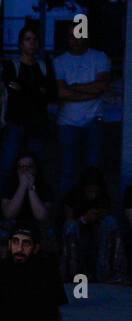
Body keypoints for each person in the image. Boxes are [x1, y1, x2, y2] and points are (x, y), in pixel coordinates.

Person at [52, 21, 111, 196]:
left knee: (92, 171)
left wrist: (75, 86)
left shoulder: (100, 57)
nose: (75, 40)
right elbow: (61, 92)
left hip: (94, 120)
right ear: (67, 38)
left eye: (79, 35)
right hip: (67, 122)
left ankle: (93, 212)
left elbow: (101, 86)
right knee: (67, 171)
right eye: (72, 36)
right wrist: (90, 93)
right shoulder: (59, 61)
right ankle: (65, 213)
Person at [0, 22, 55, 179]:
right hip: (16, 123)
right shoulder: (12, 65)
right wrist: (37, 91)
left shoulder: (43, 66)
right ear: (20, 43)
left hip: (37, 124)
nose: (32, 43)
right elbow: (12, 88)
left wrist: (25, 89)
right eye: (28, 39)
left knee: (36, 167)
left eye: (35, 39)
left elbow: (51, 94)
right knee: (7, 167)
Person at [61, 167, 127, 284]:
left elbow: (107, 217)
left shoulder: (104, 198)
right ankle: (73, 273)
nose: (93, 195)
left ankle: (111, 274)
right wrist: (83, 219)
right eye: (90, 192)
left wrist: (99, 217)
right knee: (70, 226)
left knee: (111, 222)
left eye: (95, 192)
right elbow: (69, 222)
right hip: (78, 233)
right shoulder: (72, 197)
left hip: (98, 234)